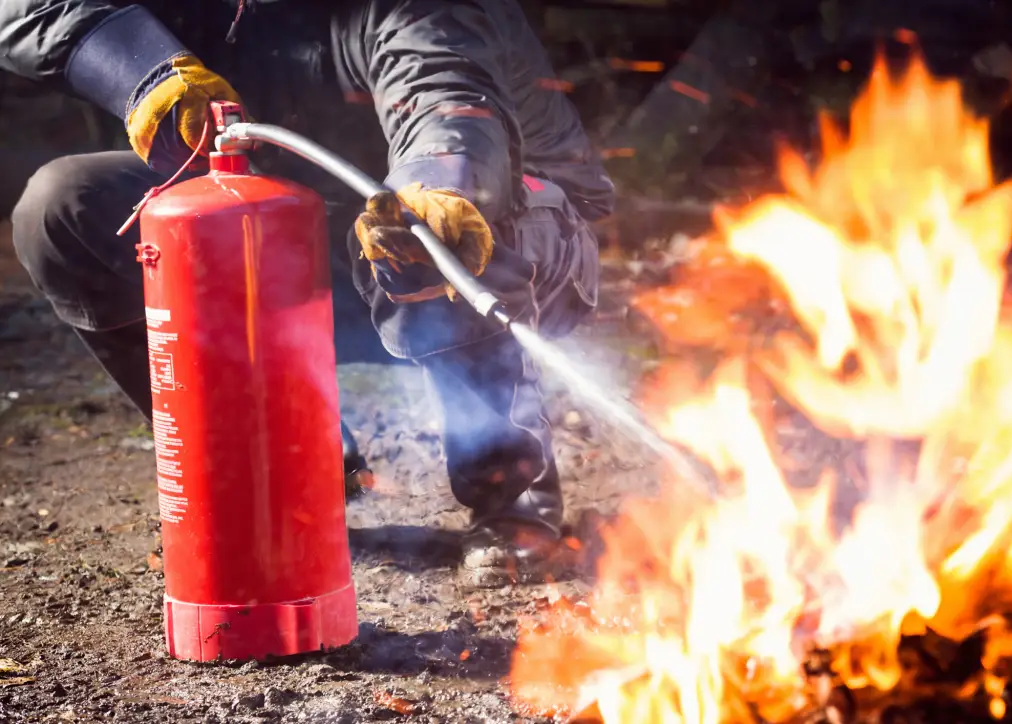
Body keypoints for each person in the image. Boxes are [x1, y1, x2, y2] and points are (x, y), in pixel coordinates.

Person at [0, 0, 615, 588]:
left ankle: (511, 503)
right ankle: (290, 476)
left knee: (430, 223)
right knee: (64, 205)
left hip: (513, 232)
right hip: (297, 229)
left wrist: (437, 181)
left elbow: (442, 86)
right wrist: (139, 67)